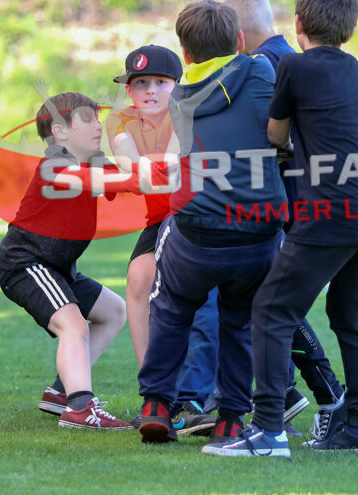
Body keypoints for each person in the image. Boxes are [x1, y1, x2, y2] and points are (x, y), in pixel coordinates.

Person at [205, 0, 358, 457]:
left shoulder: (291, 66)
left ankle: (268, 431)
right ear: (349, 31)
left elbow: (274, 133)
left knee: (271, 308)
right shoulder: (353, 68)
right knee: (349, 313)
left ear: (296, 23)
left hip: (332, 204)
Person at [136, 0, 286, 448]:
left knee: (171, 306)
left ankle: (157, 404)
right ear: (240, 41)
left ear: (184, 57)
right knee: (238, 322)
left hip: (197, 230)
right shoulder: (260, 72)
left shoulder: (179, 96)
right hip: (258, 231)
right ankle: (231, 420)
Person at [212, 0, 348, 437]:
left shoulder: (262, 66)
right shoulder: (290, 57)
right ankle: (291, 394)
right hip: (295, 199)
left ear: (233, 33)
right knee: (266, 301)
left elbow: (266, 138)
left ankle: (319, 393)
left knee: (271, 305)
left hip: (279, 204)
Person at [0, 91, 131, 430]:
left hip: (57, 269)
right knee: (74, 325)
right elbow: (107, 180)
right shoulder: (57, 165)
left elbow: (129, 178)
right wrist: (138, 172)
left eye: (98, 118)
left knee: (113, 312)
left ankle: (61, 392)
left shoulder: (91, 162)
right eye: (88, 119)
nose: (97, 126)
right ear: (59, 131)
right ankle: (80, 408)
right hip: (26, 264)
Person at [104, 44, 216, 436]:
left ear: (176, 86)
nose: (150, 90)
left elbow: (162, 172)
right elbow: (135, 168)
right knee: (138, 278)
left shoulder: (187, 113)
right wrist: (144, 168)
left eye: (161, 82)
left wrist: (145, 168)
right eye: (140, 83)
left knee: (192, 289)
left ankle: (190, 394)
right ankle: (155, 393)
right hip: (159, 217)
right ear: (129, 91)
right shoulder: (119, 120)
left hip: (195, 212)